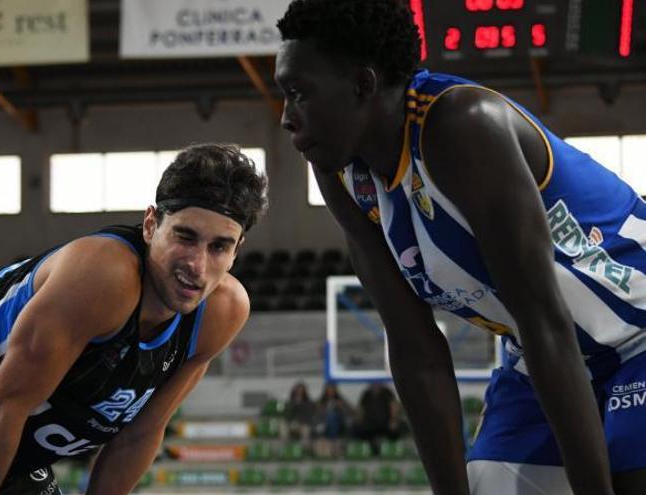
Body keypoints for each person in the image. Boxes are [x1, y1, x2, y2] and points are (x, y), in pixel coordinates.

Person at [274, 1, 646, 494]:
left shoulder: (462, 124)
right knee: (487, 484)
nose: (285, 118)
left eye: (299, 93)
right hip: (542, 356)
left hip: (636, 333)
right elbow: (415, 349)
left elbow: (544, 321)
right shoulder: (339, 170)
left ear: (362, 85)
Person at [0, 143, 268, 495]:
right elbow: (1, 406)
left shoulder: (222, 312)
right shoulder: (104, 277)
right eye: (185, 236)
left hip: (3, 449)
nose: (196, 265)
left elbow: (140, 433)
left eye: (219, 247)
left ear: (237, 249)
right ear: (151, 224)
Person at [351, 382, 404, 455]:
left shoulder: (387, 392)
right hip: (369, 424)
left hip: (385, 423)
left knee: (394, 429)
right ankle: (372, 448)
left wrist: (393, 420)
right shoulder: (366, 394)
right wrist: (358, 419)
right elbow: (360, 409)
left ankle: (381, 447)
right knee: (356, 428)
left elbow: (394, 407)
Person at [313, 382, 354, 458]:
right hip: (323, 427)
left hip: (340, 426)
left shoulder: (341, 401)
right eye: (329, 389)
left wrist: (342, 407)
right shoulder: (320, 402)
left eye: (332, 389)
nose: (330, 392)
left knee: (333, 415)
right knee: (329, 417)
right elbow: (315, 417)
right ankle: (332, 441)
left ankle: (333, 440)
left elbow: (352, 413)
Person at [280, 381, 316, 446]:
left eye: (301, 390)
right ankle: (285, 446)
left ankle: (304, 448)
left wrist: (301, 405)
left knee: (306, 429)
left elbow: (309, 415)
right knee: (283, 424)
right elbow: (288, 415)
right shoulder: (290, 402)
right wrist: (294, 405)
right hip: (292, 423)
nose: (299, 392)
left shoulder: (309, 403)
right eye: (298, 390)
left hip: (304, 423)